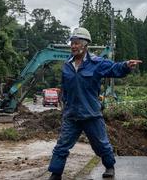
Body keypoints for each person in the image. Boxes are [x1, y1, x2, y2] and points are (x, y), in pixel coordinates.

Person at [47, 27, 142, 180]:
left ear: (85, 45)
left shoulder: (96, 63)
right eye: (72, 43)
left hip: (91, 113)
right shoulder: (67, 66)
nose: (73, 46)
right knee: (61, 146)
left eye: (76, 43)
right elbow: (64, 87)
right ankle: (55, 173)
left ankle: (109, 166)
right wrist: (63, 104)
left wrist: (125, 65)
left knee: (101, 144)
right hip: (71, 115)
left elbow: (113, 68)